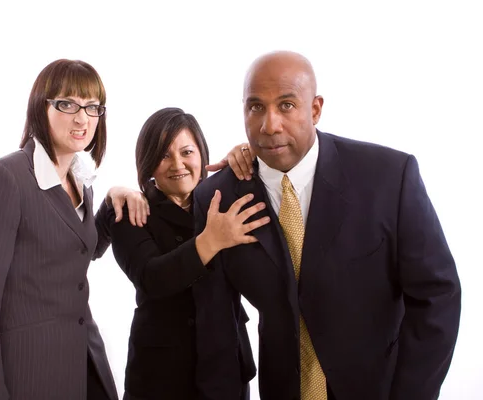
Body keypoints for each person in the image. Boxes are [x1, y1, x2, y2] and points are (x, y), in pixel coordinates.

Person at [192, 51, 461, 400]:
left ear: (315, 109)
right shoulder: (215, 199)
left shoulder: (388, 178)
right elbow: (218, 330)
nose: (269, 125)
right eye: (256, 107)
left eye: (286, 105)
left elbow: (438, 295)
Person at [0, 59, 149, 400]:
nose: (82, 118)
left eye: (92, 107)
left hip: (83, 363)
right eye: (67, 104)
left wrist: (110, 202)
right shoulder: (6, 178)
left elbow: (76, 247)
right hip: (27, 372)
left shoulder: (81, 181)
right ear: (40, 107)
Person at [95, 107, 270, 400]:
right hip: (161, 375)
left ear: (202, 154)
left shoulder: (221, 199)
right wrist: (209, 241)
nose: (178, 164)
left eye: (187, 152)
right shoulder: (131, 211)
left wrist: (248, 157)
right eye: (164, 155)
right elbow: (152, 277)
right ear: (148, 163)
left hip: (224, 366)